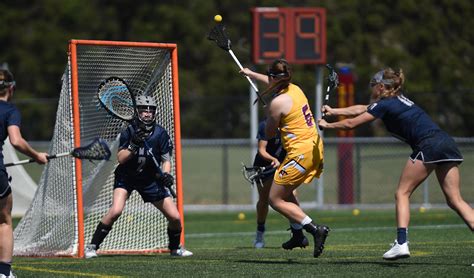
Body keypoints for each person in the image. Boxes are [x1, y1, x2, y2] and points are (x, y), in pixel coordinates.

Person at [318, 67, 474, 260]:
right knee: (455, 200)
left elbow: (352, 124)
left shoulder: (385, 104)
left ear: (382, 87)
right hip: (446, 142)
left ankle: (401, 243)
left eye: (373, 86)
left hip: (428, 145)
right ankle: (401, 243)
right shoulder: (396, 101)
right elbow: (363, 109)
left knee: (402, 192)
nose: (372, 89)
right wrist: (335, 111)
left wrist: (328, 125)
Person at [241, 59, 330, 258]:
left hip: (300, 154)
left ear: (274, 78)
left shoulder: (277, 103)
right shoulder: (294, 89)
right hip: (314, 148)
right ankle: (298, 236)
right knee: (287, 194)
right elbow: (274, 83)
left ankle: (315, 229)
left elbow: (271, 133)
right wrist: (251, 74)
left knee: (274, 198)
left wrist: (271, 114)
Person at [85, 95, 192, 258]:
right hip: (126, 177)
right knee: (115, 211)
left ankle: (175, 248)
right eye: (143, 110)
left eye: (151, 110)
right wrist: (133, 144)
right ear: (137, 112)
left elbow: (166, 159)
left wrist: (166, 175)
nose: (147, 113)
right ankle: (92, 247)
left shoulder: (160, 133)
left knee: (175, 217)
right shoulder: (129, 131)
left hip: (150, 179)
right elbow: (121, 158)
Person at [0, 67, 48, 277]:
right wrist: (37, 155)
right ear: (11, 88)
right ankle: (3, 273)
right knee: (3, 221)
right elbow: (16, 140)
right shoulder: (10, 110)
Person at [251, 119, 287, 248]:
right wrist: (273, 159)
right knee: (264, 200)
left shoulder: (292, 124)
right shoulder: (265, 125)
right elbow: (262, 150)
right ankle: (259, 234)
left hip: (283, 165)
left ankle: (297, 232)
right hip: (265, 167)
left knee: (291, 195)